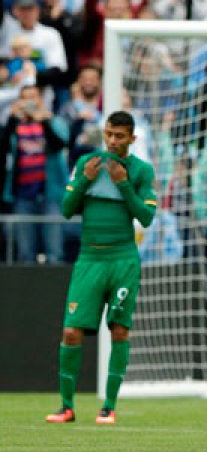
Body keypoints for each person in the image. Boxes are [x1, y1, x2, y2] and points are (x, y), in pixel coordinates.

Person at [44, 111, 156, 425]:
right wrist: (83, 181)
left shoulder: (141, 171)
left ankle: (108, 406)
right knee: (70, 331)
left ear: (132, 139)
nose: (113, 141)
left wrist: (123, 185)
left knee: (119, 329)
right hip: (89, 259)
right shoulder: (87, 164)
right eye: (109, 134)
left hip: (122, 259)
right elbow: (66, 210)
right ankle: (66, 407)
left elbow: (146, 218)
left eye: (120, 136)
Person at [1, 84, 68, 264]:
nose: (29, 102)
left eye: (33, 97)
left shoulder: (55, 121)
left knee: (54, 251)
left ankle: (57, 290)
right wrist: (12, 119)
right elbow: (3, 147)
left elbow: (59, 145)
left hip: (51, 194)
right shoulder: (15, 126)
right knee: (25, 252)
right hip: (23, 194)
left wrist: (44, 122)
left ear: (41, 100)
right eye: (25, 98)